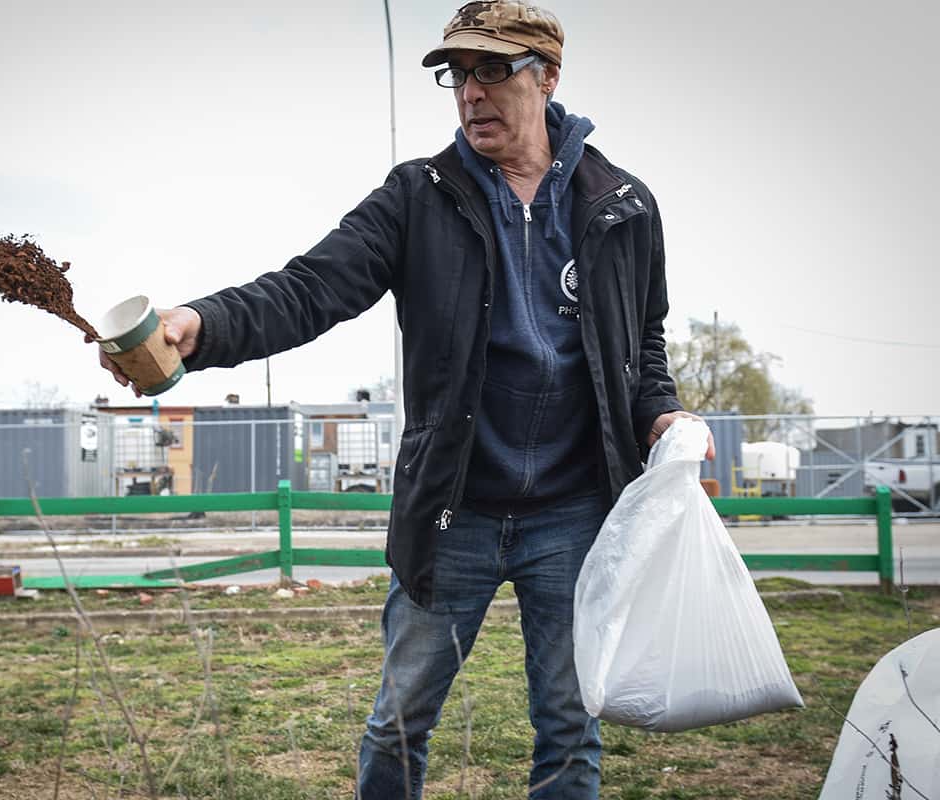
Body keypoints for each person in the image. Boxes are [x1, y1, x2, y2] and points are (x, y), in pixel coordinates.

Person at [95, 2, 713, 796]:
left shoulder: (623, 203)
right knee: (398, 722)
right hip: (455, 509)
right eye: (457, 74)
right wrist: (202, 325)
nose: (470, 92)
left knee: (570, 725)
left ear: (548, 76)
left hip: (575, 513)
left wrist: (662, 413)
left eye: (493, 70)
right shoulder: (419, 195)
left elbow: (643, 345)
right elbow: (310, 287)